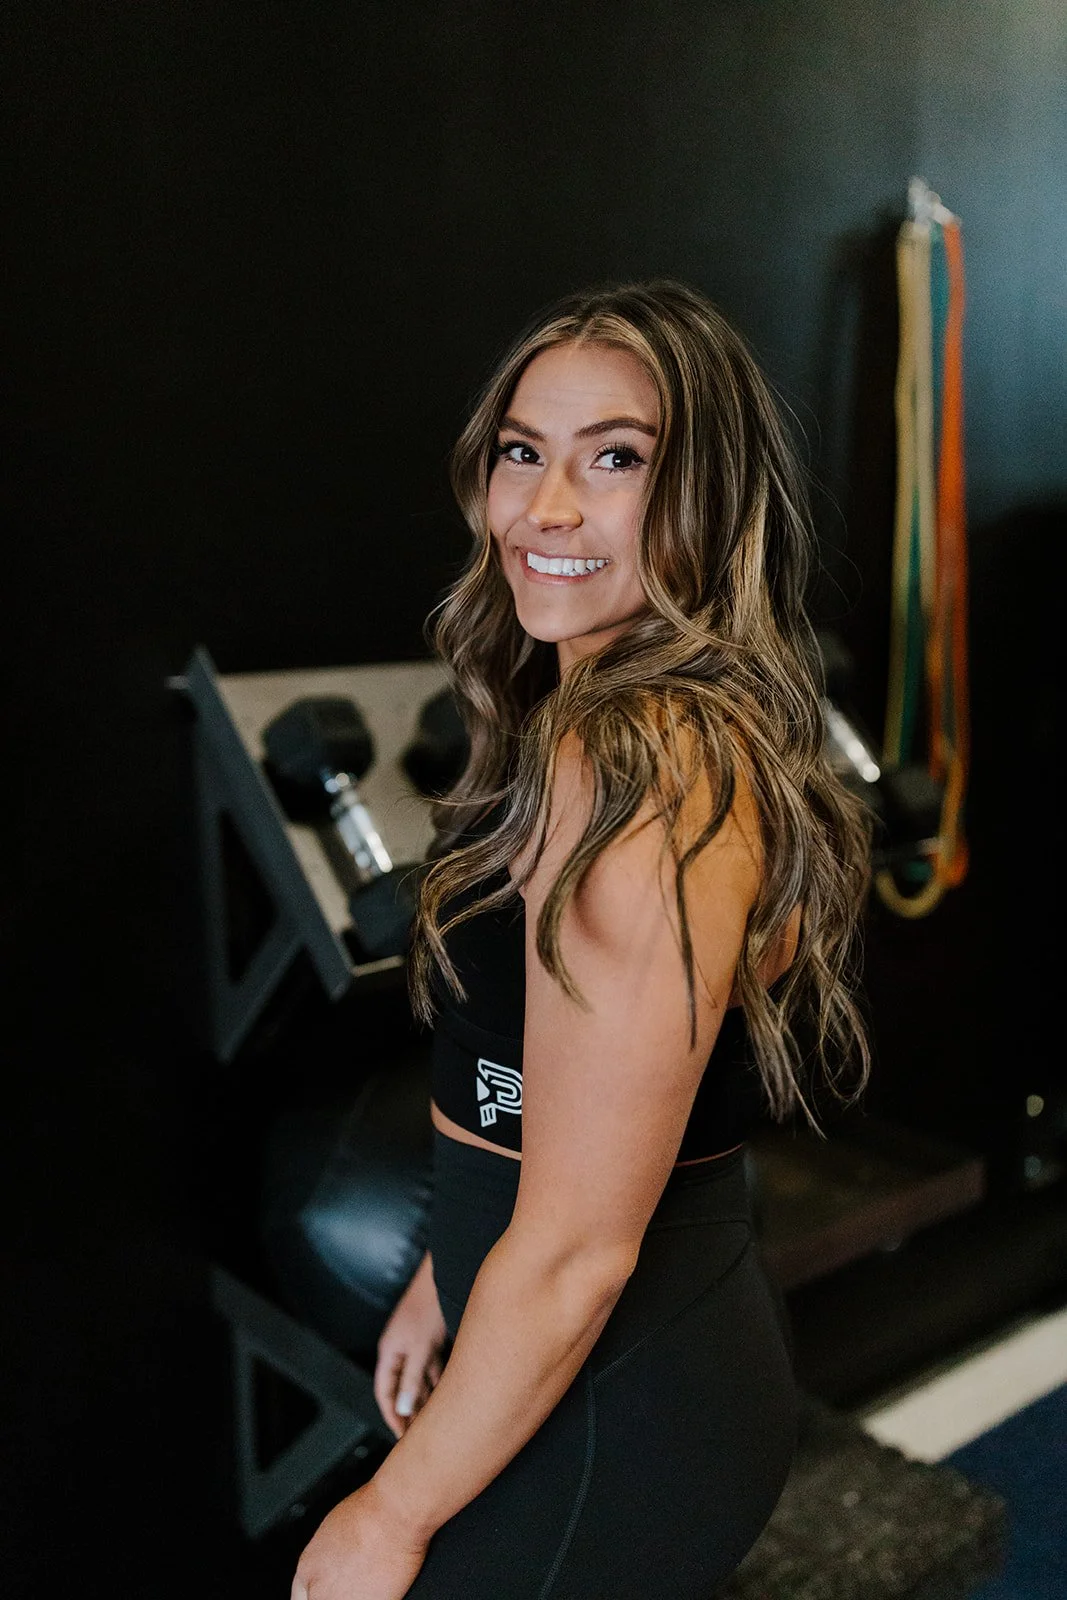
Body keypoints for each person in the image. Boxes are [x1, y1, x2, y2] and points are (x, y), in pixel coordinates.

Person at [291, 280, 871, 1599]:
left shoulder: (635, 764)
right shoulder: (601, 714)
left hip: (615, 1395)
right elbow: (558, 1121)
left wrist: (388, 1513)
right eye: (521, 452)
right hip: (606, 1351)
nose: (546, 509)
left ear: (708, 498)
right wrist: (455, 1274)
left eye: (615, 459)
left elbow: (580, 1247)